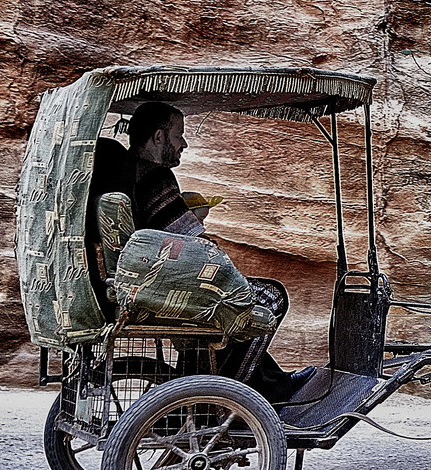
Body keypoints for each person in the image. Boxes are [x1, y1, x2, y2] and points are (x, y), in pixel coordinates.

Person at [92, 102, 314, 403]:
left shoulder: (124, 173)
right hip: (163, 288)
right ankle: (231, 397)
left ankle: (267, 380)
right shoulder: (155, 178)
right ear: (158, 137)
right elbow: (195, 242)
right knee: (269, 297)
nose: (183, 143)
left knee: (240, 306)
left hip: (136, 283)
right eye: (178, 135)